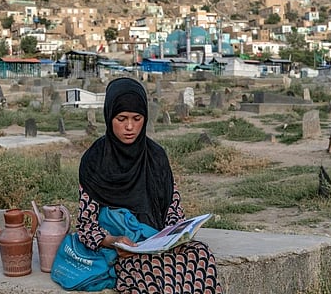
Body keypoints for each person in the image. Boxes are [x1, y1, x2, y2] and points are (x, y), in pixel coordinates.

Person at [77, 77, 223, 294]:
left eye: (137, 118)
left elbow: (173, 208)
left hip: (158, 242)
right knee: (152, 270)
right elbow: (85, 225)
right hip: (123, 250)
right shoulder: (94, 161)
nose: (129, 127)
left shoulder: (156, 156)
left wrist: (174, 235)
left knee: (199, 254)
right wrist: (113, 241)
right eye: (121, 118)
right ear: (109, 117)